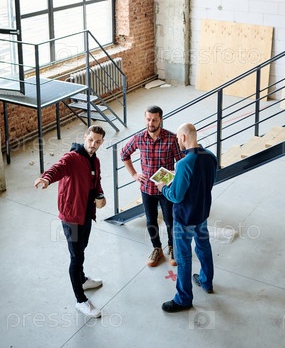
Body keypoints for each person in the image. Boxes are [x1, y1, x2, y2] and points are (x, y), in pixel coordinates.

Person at [34, 125, 106, 319]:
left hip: (86, 214)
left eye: (97, 141)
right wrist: (46, 178)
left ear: (102, 142)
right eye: (90, 140)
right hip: (71, 217)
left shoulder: (95, 160)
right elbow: (58, 168)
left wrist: (100, 195)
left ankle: (82, 279)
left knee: (82, 248)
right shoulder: (72, 158)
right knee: (76, 257)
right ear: (85, 137)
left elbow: (96, 183)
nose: (93, 144)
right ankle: (81, 301)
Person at [156, 122, 217, 313]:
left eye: (177, 138)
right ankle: (206, 281)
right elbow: (206, 182)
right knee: (203, 246)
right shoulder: (211, 156)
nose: (177, 142)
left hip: (184, 218)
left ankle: (183, 299)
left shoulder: (183, 164)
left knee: (183, 258)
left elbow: (176, 196)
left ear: (183, 137)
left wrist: (163, 187)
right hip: (202, 212)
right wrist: (179, 177)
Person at [120, 105, 183, 267]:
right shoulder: (139, 138)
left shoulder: (171, 138)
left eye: (154, 120)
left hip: (166, 190)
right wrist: (134, 174)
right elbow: (124, 154)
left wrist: (172, 176)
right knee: (151, 221)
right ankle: (157, 249)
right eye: (148, 119)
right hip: (147, 189)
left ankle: (172, 247)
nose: (151, 123)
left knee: (170, 220)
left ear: (160, 119)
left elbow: (182, 163)